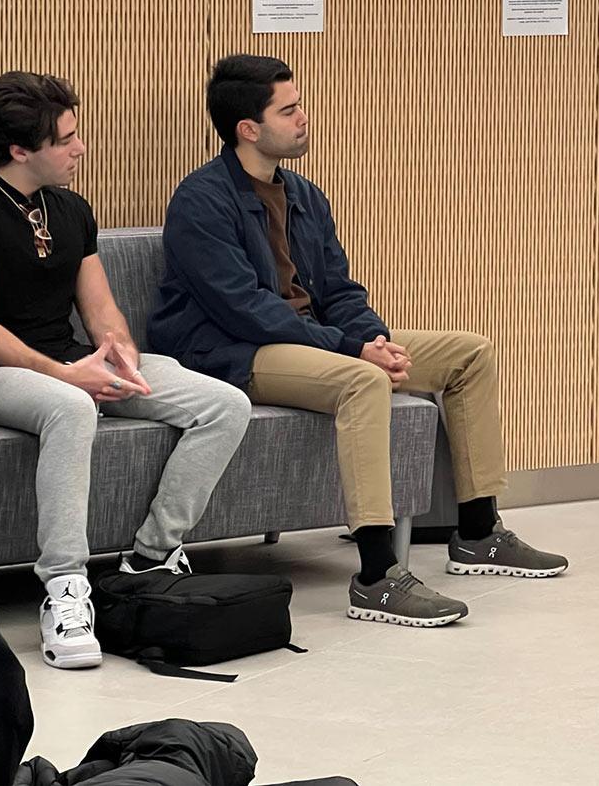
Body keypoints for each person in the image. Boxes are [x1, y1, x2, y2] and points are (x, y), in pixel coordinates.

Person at [149, 54, 568, 629]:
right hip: (231, 353)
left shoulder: (303, 195)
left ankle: (477, 532)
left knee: (469, 353)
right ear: (249, 128)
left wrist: (373, 336)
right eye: (289, 110)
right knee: (363, 379)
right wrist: (353, 352)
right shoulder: (201, 202)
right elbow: (246, 309)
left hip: (307, 342)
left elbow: (339, 288)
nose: (303, 118)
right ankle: (376, 576)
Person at [0, 72, 252, 669]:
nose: (79, 149)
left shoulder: (71, 209)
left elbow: (100, 311)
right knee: (71, 406)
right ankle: (65, 589)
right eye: (66, 139)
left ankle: (149, 558)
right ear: (21, 150)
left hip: (69, 362)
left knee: (223, 403)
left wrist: (118, 356)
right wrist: (66, 376)